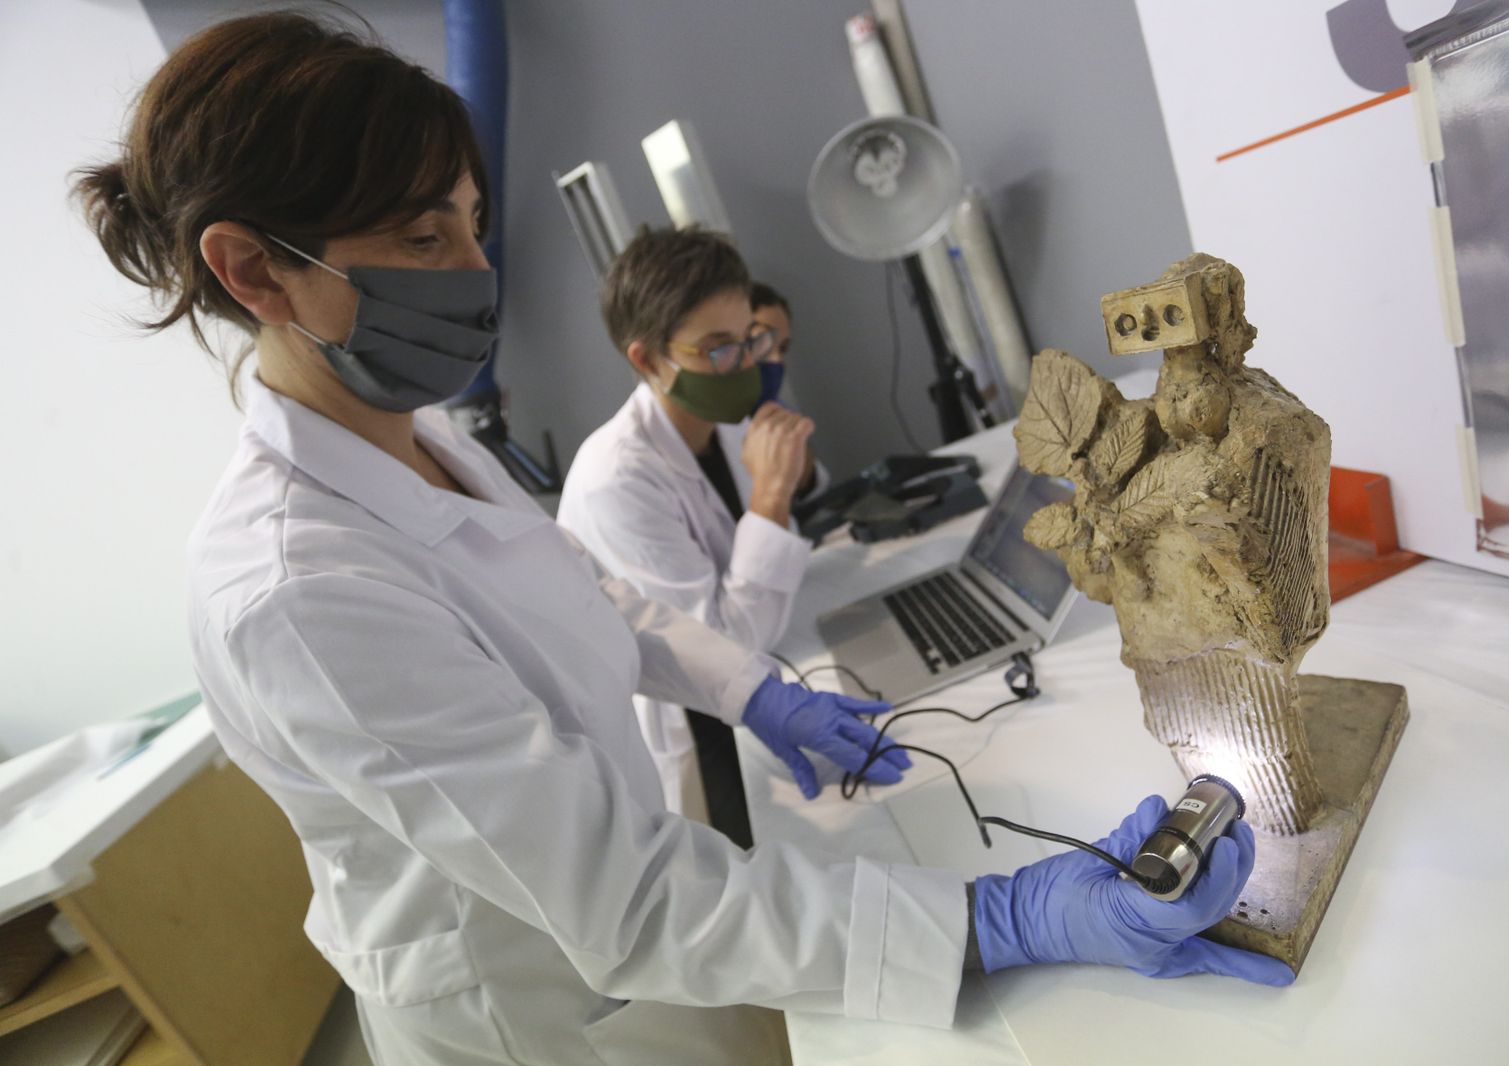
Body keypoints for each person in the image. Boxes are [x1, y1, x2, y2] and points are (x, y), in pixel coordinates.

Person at [75, 13, 1292, 1066]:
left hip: (624, 919)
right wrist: (998, 918)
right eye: (422, 238)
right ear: (253, 272)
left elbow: (585, 591)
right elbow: (628, 900)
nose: (477, 273)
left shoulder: (417, 437)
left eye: (473, 224)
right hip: (532, 1008)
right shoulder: (295, 588)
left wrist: (756, 691)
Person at [558, 232, 824, 846]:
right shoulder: (616, 478)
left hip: (754, 695)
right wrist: (771, 497)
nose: (746, 364)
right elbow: (722, 647)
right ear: (648, 360)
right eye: (718, 349)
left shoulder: (721, 423)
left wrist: (789, 481)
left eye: (751, 339)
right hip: (690, 730)